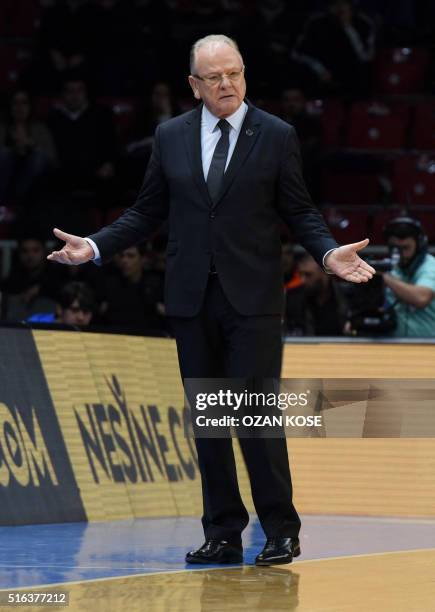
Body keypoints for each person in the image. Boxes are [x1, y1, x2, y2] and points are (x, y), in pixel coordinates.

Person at [47, 34, 375, 566]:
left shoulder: (277, 134)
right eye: (215, 77)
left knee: (255, 416)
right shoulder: (170, 136)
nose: (227, 84)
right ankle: (222, 531)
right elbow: (147, 211)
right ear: (194, 85)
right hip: (191, 297)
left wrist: (327, 252)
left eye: (235, 74)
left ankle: (280, 530)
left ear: (244, 75)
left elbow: (300, 211)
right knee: (210, 419)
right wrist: (96, 245)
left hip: (254, 300)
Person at [383, 216, 435, 337]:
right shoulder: (388, 267)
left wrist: (386, 278)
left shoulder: (430, 265)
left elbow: (421, 298)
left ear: (419, 245)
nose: (400, 254)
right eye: (395, 248)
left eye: (406, 248)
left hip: (429, 346)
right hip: (394, 348)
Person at [295, 252, 348, 336]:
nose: (302, 280)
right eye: (300, 274)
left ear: (324, 273)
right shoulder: (295, 299)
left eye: (308, 275)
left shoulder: (346, 297)